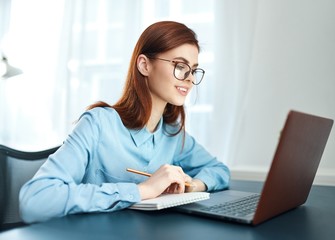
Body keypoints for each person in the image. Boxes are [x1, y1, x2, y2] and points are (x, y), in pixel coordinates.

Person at [19, 21, 230, 223]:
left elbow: (219, 170)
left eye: (193, 70)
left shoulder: (172, 134)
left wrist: (191, 185)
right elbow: (35, 200)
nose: (190, 78)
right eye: (180, 66)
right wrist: (143, 190)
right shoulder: (99, 124)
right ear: (145, 65)